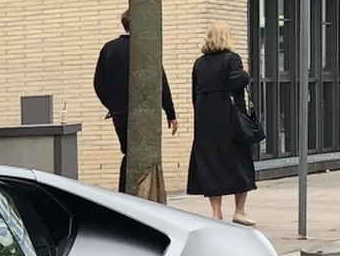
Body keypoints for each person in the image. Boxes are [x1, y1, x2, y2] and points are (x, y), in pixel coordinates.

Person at [92, 11, 177, 191]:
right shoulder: (145, 49)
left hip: (119, 111)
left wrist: (113, 105)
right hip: (145, 109)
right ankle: (138, 191)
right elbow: (159, 80)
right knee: (143, 154)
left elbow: (99, 83)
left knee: (129, 151)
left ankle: (126, 191)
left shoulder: (110, 49)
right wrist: (170, 112)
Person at [187, 23, 258, 222]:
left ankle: (216, 212)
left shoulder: (199, 63)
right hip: (229, 118)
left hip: (205, 120)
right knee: (239, 161)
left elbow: (195, 93)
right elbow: (237, 82)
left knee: (211, 164)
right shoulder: (231, 59)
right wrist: (245, 72)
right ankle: (240, 211)